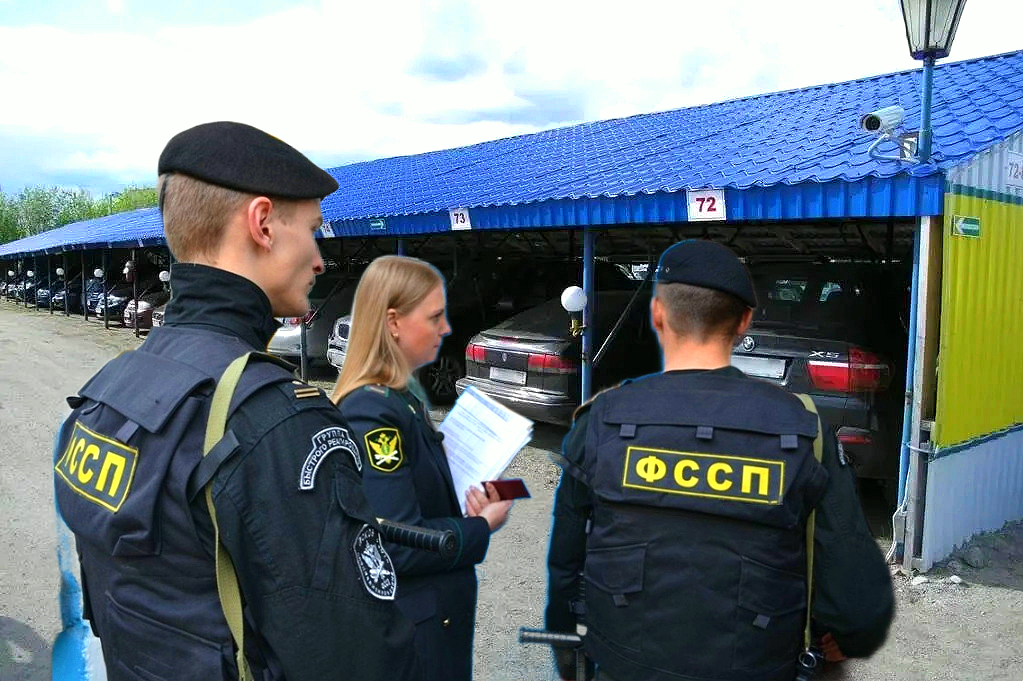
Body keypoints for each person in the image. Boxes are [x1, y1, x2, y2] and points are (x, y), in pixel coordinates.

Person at [53, 121, 420, 681]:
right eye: (314, 231)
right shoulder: (277, 421)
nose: (320, 260)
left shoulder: (109, 389)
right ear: (263, 224)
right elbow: (357, 657)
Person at [544, 239, 894, 681]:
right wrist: (841, 637)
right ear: (744, 322)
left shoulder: (599, 421)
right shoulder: (806, 431)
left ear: (657, 314)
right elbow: (859, 607)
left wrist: (570, 656)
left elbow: (565, 567)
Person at [332, 255, 513, 681]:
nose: (446, 328)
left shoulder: (401, 398)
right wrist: (479, 527)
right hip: (415, 633)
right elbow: (397, 542)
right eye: (434, 316)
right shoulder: (371, 412)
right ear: (393, 322)